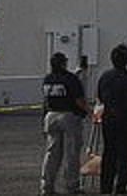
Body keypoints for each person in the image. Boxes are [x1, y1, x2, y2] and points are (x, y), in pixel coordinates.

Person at [96, 43, 127, 195]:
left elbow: (100, 95)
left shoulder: (105, 77)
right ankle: (121, 186)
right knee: (125, 153)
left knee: (109, 152)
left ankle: (105, 186)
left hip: (109, 118)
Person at [41, 51, 88, 196]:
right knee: (71, 154)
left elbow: (45, 101)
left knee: (52, 154)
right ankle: (72, 186)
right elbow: (78, 100)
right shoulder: (70, 79)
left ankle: (46, 187)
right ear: (63, 63)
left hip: (51, 116)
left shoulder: (47, 79)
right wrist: (89, 111)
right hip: (68, 116)